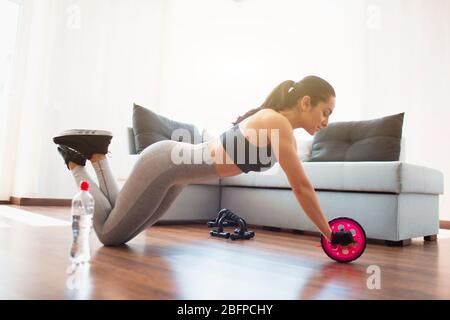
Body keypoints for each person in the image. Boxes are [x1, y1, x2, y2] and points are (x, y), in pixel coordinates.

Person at [53, 75, 354, 247]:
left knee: (118, 228)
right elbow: (300, 186)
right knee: (108, 236)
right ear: (305, 102)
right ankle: (75, 163)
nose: (326, 121)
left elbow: (299, 181)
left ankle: (97, 155)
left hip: (175, 175)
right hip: (165, 164)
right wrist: (329, 234)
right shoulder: (277, 124)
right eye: (325, 111)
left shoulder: (276, 125)